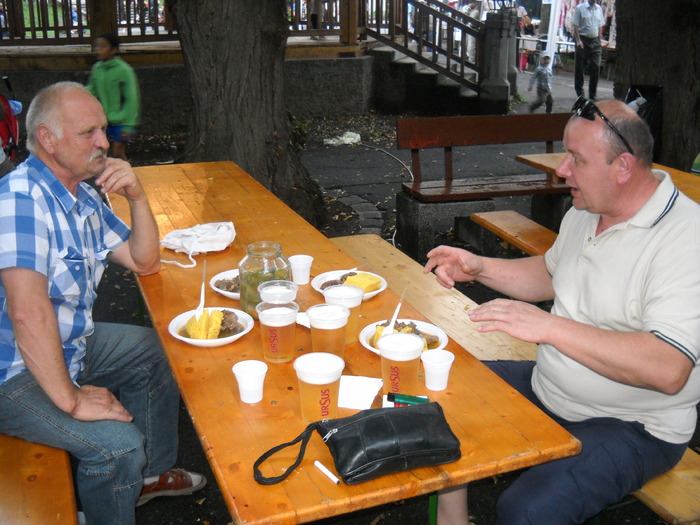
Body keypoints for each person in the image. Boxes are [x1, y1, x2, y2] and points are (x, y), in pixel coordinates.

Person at [425, 99, 700, 524]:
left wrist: (550, 327)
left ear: (623, 167)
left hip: (633, 425)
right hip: (549, 388)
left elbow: (669, 369)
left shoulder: (686, 239)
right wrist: (479, 268)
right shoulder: (587, 210)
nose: (561, 170)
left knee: (528, 510)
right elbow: (552, 274)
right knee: (444, 392)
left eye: (576, 159)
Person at [0, 82, 206, 525]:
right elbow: (26, 312)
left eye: (104, 129)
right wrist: (72, 400)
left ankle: (148, 479)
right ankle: (117, 488)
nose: (104, 142)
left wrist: (138, 196)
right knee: (118, 447)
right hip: (12, 373)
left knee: (155, 350)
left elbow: (143, 260)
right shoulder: (19, 201)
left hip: (68, 344)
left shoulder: (82, 195)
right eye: (87, 132)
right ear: (48, 139)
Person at [86, 33, 140, 161]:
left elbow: (132, 99)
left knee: (117, 153)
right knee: (101, 154)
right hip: (103, 121)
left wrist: (129, 124)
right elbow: (91, 90)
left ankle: (128, 178)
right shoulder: (97, 68)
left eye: (103, 46)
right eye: (97, 46)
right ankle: (108, 179)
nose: (98, 50)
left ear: (113, 50)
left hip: (122, 121)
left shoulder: (124, 70)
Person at [572, 0, 605, 100]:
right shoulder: (580, 8)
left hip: (595, 41)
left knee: (596, 67)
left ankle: (592, 94)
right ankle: (580, 94)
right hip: (583, 39)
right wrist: (578, 40)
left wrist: (599, 39)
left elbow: (600, 25)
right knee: (580, 68)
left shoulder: (599, 9)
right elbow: (575, 25)